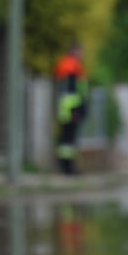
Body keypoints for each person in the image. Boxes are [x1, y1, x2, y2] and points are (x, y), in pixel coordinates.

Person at [53, 43, 88, 174]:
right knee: (68, 140)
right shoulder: (71, 67)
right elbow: (72, 93)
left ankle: (68, 167)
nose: (82, 54)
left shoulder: (68, 65)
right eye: (80, 51)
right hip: (70, 110)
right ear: (74, 51)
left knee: (67, 140)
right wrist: (76, 111)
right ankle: (67, 168)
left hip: (68, 110)